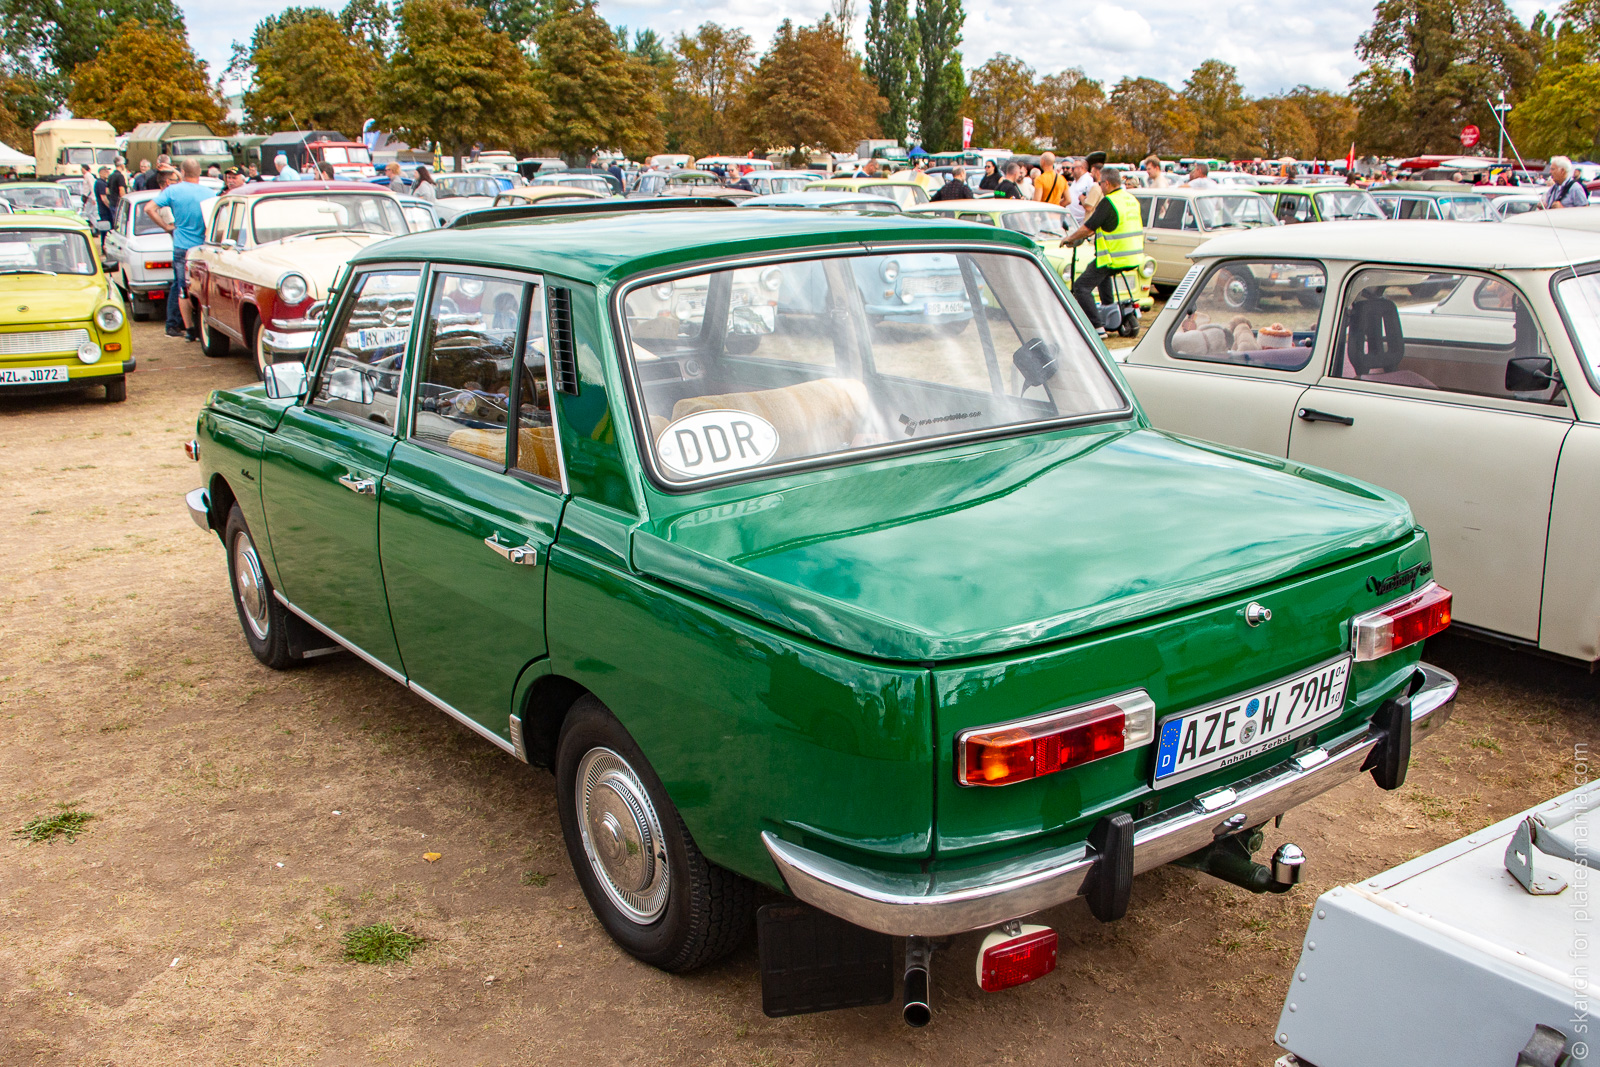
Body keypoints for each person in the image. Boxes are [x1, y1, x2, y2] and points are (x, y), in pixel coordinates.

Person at [1061, 165, 1144, 336]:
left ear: (1106, 183)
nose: (1099, 186)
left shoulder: (1109, 202)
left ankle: (1096, 326)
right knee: (1103, 277)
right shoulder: (1130, 199)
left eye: (1100, 183)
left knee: (1081, 287)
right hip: (1133, 255)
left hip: (1114, 256)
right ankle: (1109, 313)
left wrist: (1070, 238)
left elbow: (1088, 227)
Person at [144, 159, 216, 341]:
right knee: (203, 288)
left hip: (182, 245)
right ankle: (203, 325)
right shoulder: (210, 194)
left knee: (182, 287)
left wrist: (167, 227)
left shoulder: (173, 191)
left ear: (183, 172)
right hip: (203, 246)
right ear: (200, 172)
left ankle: (189, 329)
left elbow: (149, 208)